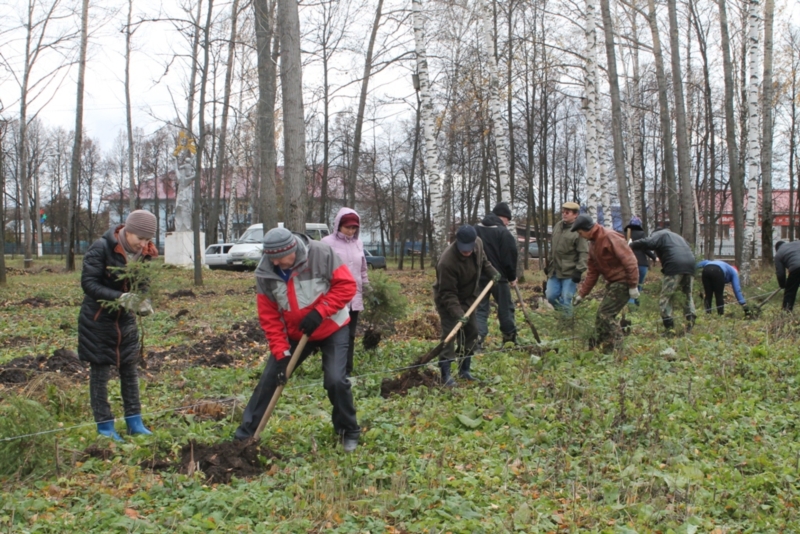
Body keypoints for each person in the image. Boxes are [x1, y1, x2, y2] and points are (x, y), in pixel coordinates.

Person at [234, 227, 360, 452]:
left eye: (280, 258)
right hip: (297, 333)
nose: (275, 263)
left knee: (335, 379)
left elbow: (347, 285)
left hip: (332, 326)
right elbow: (269, 317)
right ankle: (247, 434)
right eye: (271, 258)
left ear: (293, 249)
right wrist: (282, 354)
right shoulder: (265, 272)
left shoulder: (321, 254)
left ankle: (348, 430)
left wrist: (321, 311)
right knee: (271, 378)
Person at [78, 210, 158, 441]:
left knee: (130, 371)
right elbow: (89, 283)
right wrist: (120, 297)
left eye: (147, 240)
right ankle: (105, 428)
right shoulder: (101, 248)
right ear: (127, 231)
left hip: (125, 322)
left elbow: (143, 283)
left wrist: (144, 300)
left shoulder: (143, 254)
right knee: (100, 374)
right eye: (139, 239)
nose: (143, 245)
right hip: (98, 321)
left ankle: (135, 422)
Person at [433, 225, 500, 386]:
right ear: (457, 242)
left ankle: (464, 370)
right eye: (463, 249)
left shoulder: (478, 243)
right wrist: (458, 314)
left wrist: (493, 272)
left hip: (469, 298)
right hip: (448, 300)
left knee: (472, 331)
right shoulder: (446, 262)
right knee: (449, 334)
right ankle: (446, 374)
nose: (467, 252)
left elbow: (483, 262)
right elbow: (447, 293)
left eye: (469, 249)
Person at [570, 214, 639, 353]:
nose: (580, 236)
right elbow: (592, 272)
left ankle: (618, 349)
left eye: (580, 232)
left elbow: (630, 261)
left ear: (587, 229)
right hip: (613, 282)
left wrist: (633, 285)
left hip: (623, 281)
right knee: (601, 317)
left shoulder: (610, 237)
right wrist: (582, 294)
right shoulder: (593, 244)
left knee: (605, 315)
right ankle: (602, 348)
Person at [322, 208, 370, 377]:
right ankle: (331, 368)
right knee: (333, 333)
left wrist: (366, 287)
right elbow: (322, 270)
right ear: (338, 226)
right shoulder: (327, 243)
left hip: (354, 297)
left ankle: (347, 369)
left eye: (354, 228)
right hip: (334, 297)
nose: (351, 231)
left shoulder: (358, 243)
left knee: (349, 335)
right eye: (347, 227)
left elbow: (362, 269)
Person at [631, 228, 697, 336]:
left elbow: (649, 242)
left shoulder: (661, 234)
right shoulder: (678, 237)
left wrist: (632, 245)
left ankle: (669, 330)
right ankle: (689, 325)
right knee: (688, 295)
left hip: (674, 265)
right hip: (690, 265)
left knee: (665, 298)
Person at [475, 201, 519, 347]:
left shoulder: (476, 229)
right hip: (499, 278)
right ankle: (509, 339)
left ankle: (477, 341)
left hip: (478, 277)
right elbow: (509, 257)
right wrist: (512, 276)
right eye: (508, 220)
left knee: (480, 309)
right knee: (505, 308)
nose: (507, 223)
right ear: (503, 217)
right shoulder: (503, 233)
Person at [546, 202, 588, 316]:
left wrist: (579, 271)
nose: (564, 214)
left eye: (567, 212)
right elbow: (553, 247)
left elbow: (584, 253)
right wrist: (548, 264)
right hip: (554, 270)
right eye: (563, 212)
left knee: (567, 299)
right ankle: (563, 315)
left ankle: (568, 325)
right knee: (550, 296)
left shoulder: (579, 231)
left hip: (570, 272)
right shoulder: (557, 226)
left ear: (575, 215)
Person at [624, 216, 656, 306]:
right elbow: (645, 248)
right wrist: (654, 257)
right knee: (639, 286)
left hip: (629, 264)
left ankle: (631, 308)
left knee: (630, 286)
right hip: (642, 264)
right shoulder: (642, 234)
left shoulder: (625, 234)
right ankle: (638, 306)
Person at [774, 240, 800, 311]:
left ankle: (786, 311)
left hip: (796, 268)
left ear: (777, 249)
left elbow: (780, 273)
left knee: (790, 292)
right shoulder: (796, 243)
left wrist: (783, 285)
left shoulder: (779, 254)